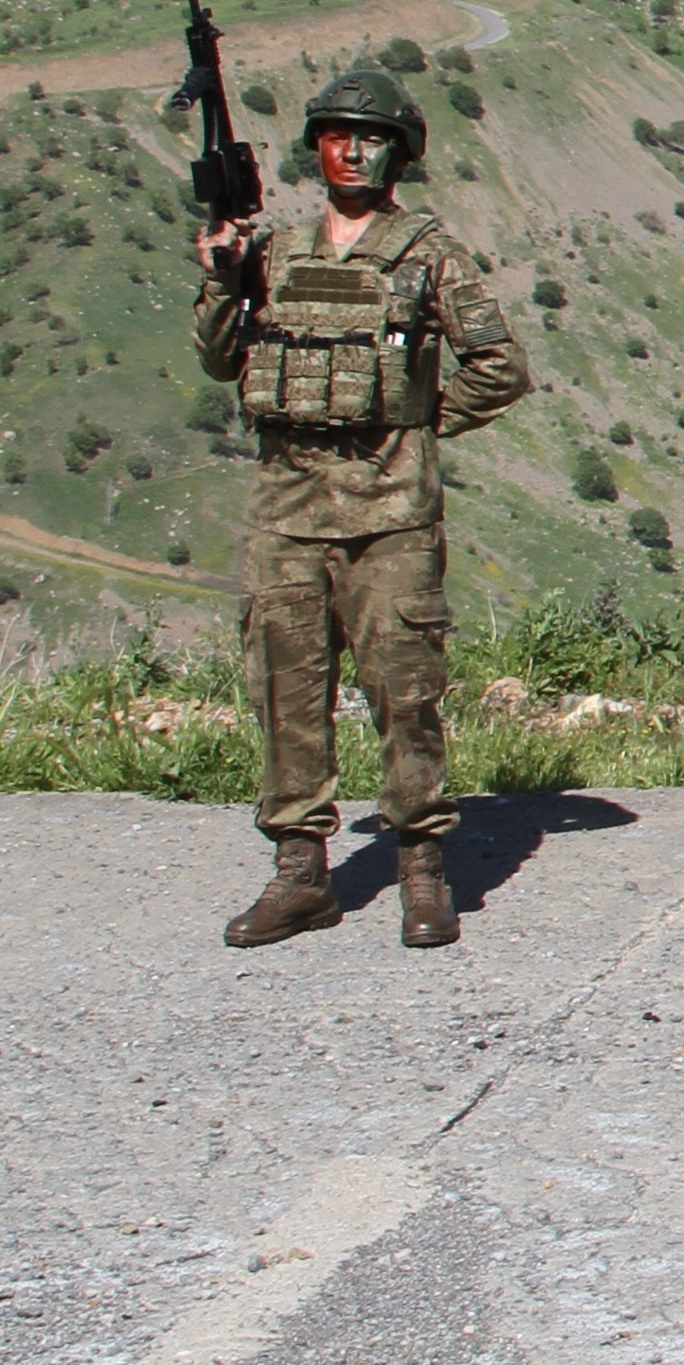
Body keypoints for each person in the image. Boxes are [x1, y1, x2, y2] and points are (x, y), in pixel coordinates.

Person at [196, 67, 528, 950]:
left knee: (405, 694)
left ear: (400, 154)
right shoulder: (273, 254)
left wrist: (413, 422)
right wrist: (221, 279)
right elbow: (220, 360)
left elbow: (500, 366)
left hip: (390, 519)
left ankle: (422, 868)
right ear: (316, 149)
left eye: (370, 137)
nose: (350, 151)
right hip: (288, 514)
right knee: (286, 695)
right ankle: (300, 873)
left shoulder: (429, 254)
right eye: (336, 136)